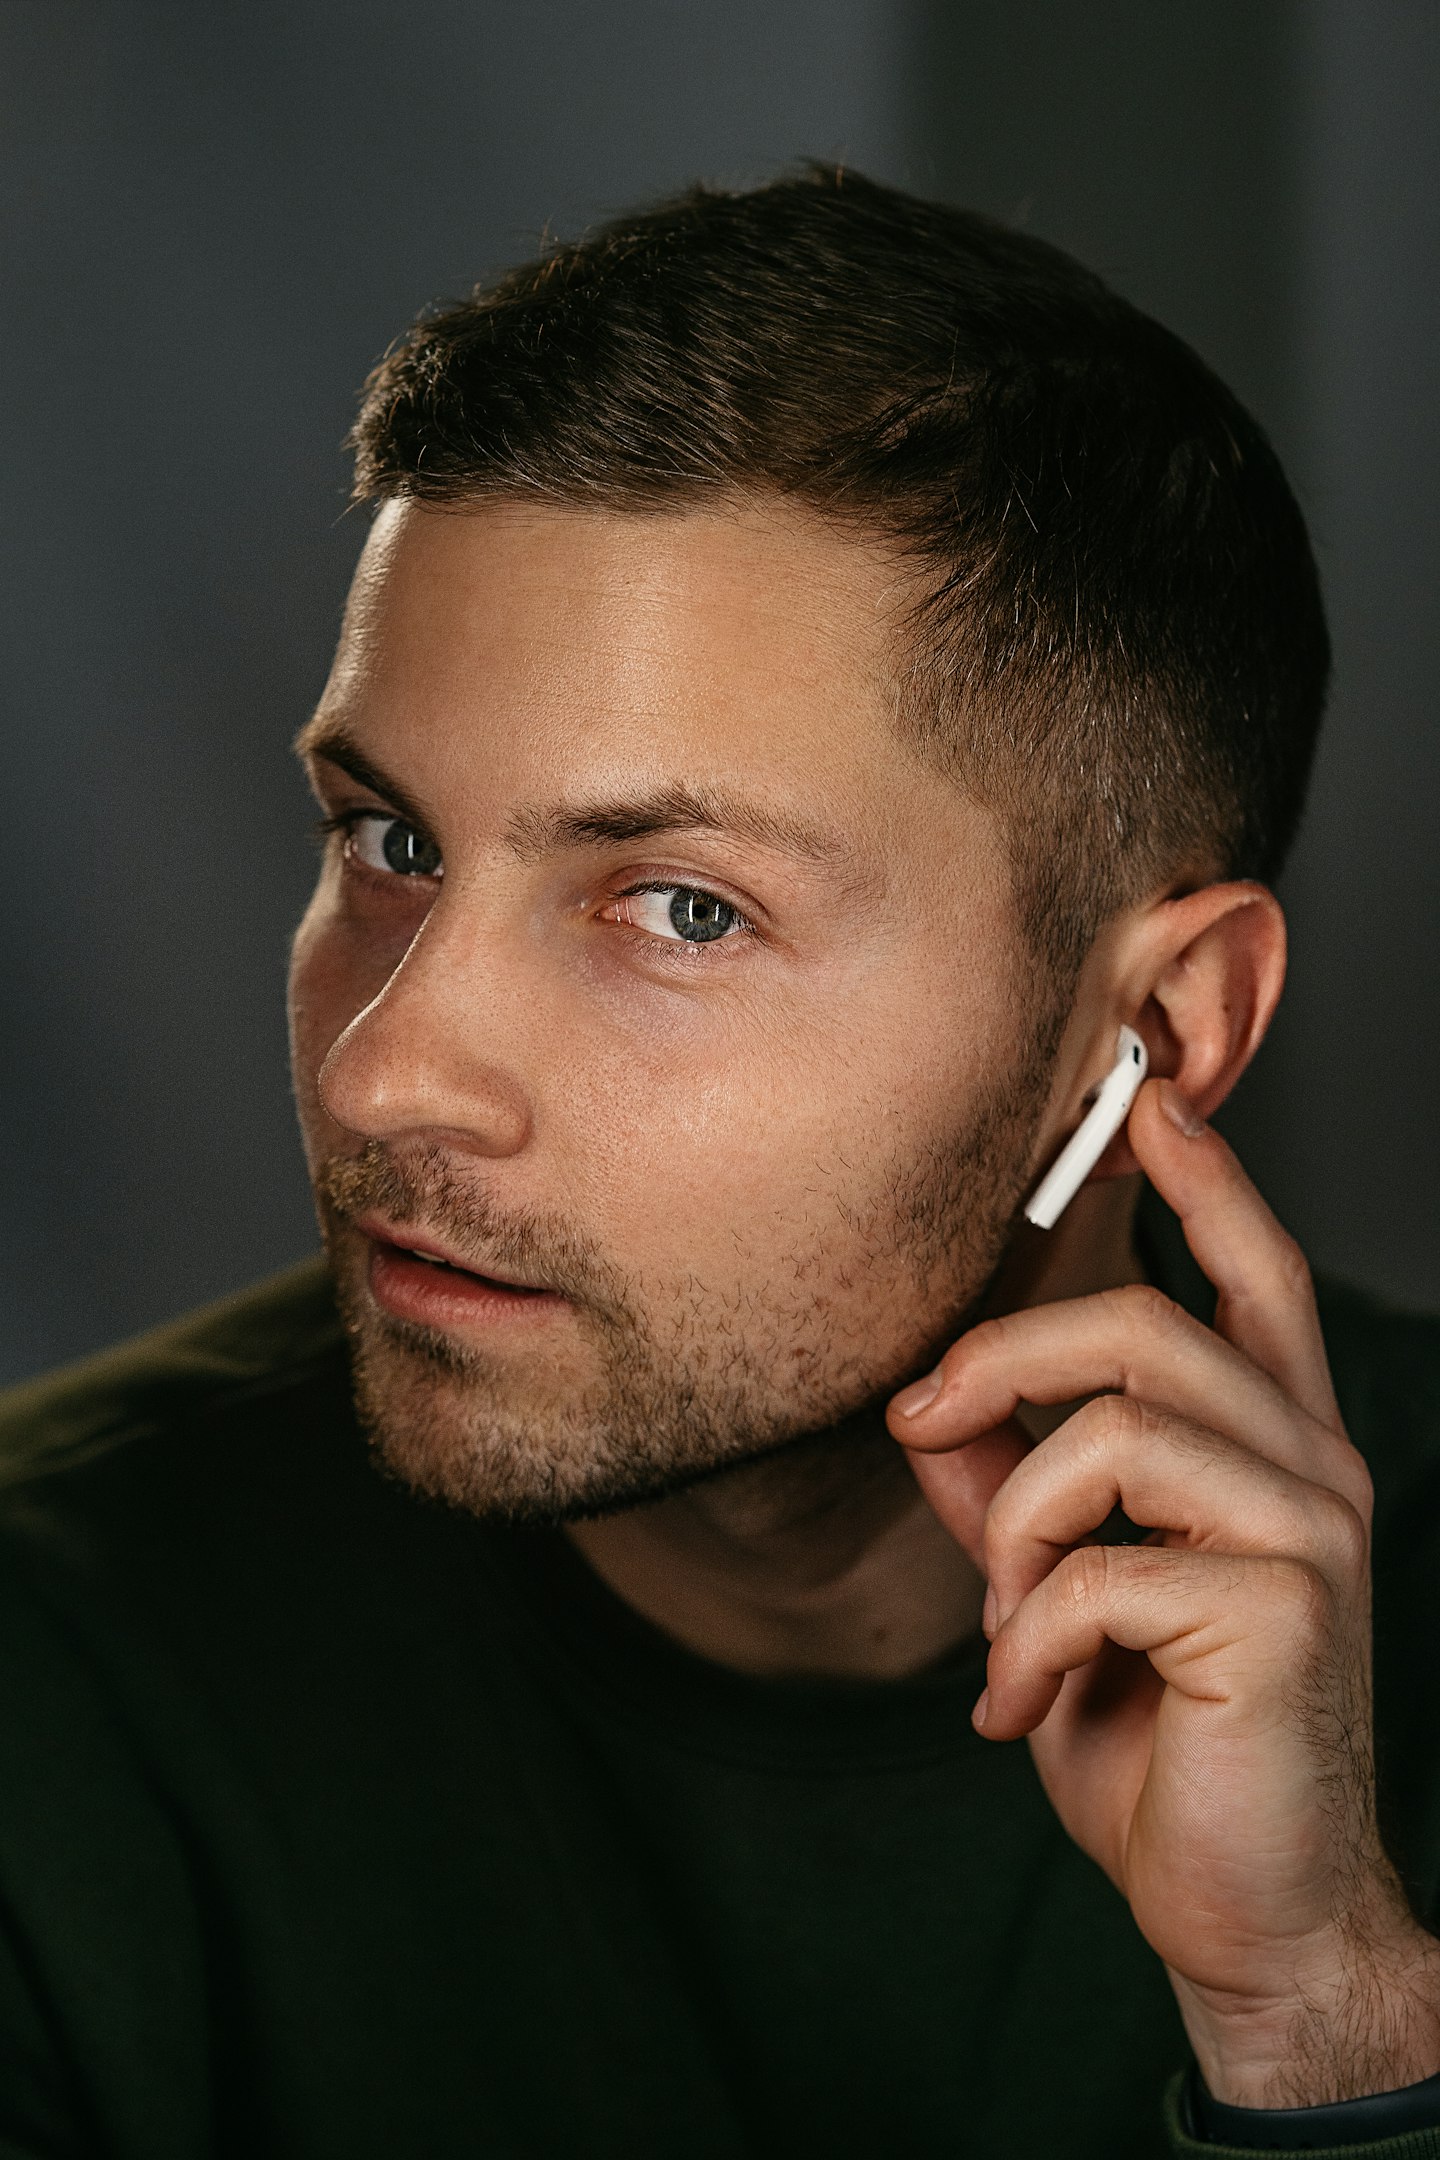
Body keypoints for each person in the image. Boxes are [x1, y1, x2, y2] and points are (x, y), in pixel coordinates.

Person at [2, 165, 1438, 2160]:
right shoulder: (50, 1670)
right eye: (389, 844)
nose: (391, 1066)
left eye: (682, 909)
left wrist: (1326, 2026)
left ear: (1162, 1027)